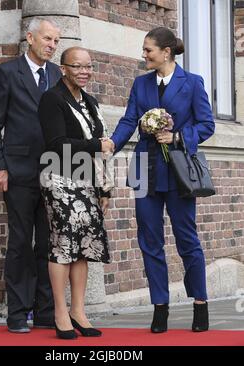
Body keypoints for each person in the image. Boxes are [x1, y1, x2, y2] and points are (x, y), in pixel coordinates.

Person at [109, 27, 215, 333]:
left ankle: (200, 302)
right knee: (149, 241)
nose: (144, 55)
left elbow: (206, 124)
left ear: (165, 52)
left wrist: (179, 135)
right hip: (144, 168)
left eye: (148, 50)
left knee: (187, 239)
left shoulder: (192, 83)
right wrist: (112, 145)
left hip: (179, 171)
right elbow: (130, 119)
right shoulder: (140, 83)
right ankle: (160, 306)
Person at [0, 18, 62, 333]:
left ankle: (45, 312)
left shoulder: (57, 75)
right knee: (19, 243)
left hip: (53, 174)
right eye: (47, 39)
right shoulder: (5, 73)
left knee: (47, 244)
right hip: (17, 172)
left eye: (56, 41)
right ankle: (17, 313)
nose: (52, 45)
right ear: (30, 38)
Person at [38, 47, 113, 339]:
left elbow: (102, 148)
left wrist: (104, 187)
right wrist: (97, 145)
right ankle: (60, 312)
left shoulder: (91, 102)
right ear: (63, 68)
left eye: (88, 67)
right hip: (59, 180)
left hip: (88, 181)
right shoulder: (52, 99)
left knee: (83, 248)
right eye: (77, 66)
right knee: (63, 246)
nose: (84, 71)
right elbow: (56, 143)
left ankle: (78, 311)